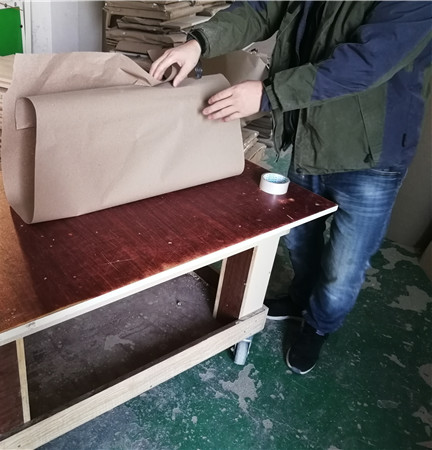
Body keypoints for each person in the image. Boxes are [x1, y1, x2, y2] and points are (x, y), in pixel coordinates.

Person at [150, 1, 432, 375]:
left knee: (344, 265)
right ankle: (300, 299)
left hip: (370, 155)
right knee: (299, 238)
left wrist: (269, 94)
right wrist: (199, 42)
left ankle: (319, 326)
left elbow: (367, 63)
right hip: (310, 135)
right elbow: (262, 8)